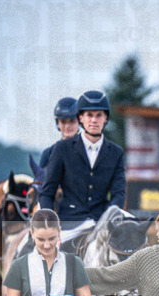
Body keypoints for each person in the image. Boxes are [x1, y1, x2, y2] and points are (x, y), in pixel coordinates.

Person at [38, 90, 126, 247]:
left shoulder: (116, 153)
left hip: (102, 222)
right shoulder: (62, 149)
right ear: (81, 118)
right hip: (69, 223)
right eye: (89, 115)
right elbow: (47, 193)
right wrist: (51, 227)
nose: (94, 120)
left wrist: (109, 219)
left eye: (99, 115)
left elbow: (118, 193)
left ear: (105, 118)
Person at [39, 97, 80, 169]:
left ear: (79, 122)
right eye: (63, 122)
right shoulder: (48, 154)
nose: (67, 126)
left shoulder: (89, 151)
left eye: (72, 121)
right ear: (57, 123)